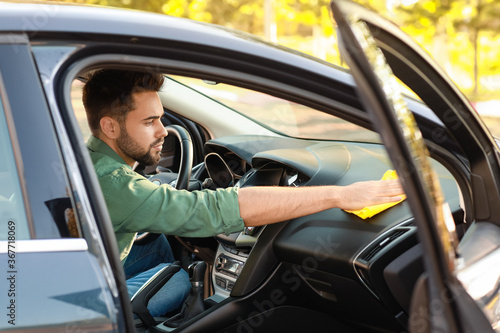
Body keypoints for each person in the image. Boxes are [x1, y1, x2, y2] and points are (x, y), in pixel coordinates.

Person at [82, 69, 404, 318]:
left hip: (81, 275)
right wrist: (339, 197)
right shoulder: (115, 184)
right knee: (181, 278)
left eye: (162, 118)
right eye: (150, 121)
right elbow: (212, 210)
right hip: (85, 304)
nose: (164, 131)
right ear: (110, 127)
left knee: (162, 247)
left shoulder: (89, 157)